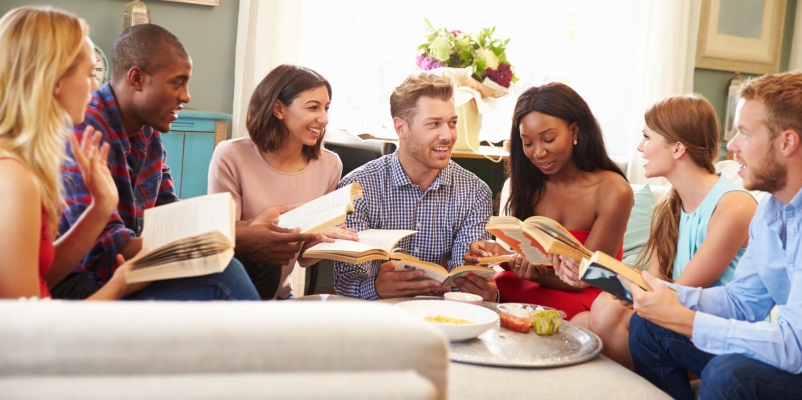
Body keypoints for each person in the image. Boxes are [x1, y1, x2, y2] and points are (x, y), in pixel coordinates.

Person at [53, 23, 296, 300]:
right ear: (137, 79)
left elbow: (169, 214)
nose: (186, 96)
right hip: (83, 277)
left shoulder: (147, 131)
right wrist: (236, 239)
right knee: (225, 276)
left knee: (262, 262)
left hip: (128, 263)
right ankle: (253, 342)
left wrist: (248, 228)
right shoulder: (87, 130)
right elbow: (104, 251)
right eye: (177, 82)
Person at [626, 71, 802, 400]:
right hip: (788, 352)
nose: (731, 146)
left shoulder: (739, 206)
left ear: (787, 142)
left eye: (744, 133)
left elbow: (794, 347)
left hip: (796, 356)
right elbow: (742, 301)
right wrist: (670, 297)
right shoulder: (769, 211)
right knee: (648, 326)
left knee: (729, 375)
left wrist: (689, 321)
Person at [574, 94, 756, 369]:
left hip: (717, 333)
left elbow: (680, 293)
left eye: (647, 137)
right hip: (679, 316)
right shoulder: (669, 205)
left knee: (604, 313)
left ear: (677, 148)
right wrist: (587, 274)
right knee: (583, 321)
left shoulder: (734, 205)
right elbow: (654, 282)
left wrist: (626, 293)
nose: (640, 147)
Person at [0, 6, 143, 299]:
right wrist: (120, 285)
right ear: (54, 80)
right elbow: (30, 331)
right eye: (90, 73)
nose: (96, 85)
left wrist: (101, 207)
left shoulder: (22, 167)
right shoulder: (14, 180)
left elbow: (40, 278)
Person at [466, 82, 633, 319]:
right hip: (527, 285)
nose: (538, 153)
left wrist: (534, 274)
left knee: (503, 304)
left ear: (574, 132)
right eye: (528, 143)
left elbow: (588, 277)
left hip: (581, 295)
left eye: (549, 139)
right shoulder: (526, 183)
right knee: (479, 289)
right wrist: (498, 255)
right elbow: (523, 254)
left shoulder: (613, 190)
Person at [334, 71, 494, 301]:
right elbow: (346, 281)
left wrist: (479, 286)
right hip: (377, 320)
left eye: (452, 123)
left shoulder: (475, 192)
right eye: (434, 124)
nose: (447, 135)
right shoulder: (357, 189)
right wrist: (375, 288)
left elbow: (463, 279)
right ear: (401, 128)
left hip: (445, 320)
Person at [209, 64, 356, 300]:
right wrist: (290, 226)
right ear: (279, 109)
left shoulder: (329, 165)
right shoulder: (231, 155)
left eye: (326, 108)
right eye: (313, 107)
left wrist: (323, 237)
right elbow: (223, 237)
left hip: (280, 297)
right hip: (231, 295)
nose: (324, 118)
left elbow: (305, 257)